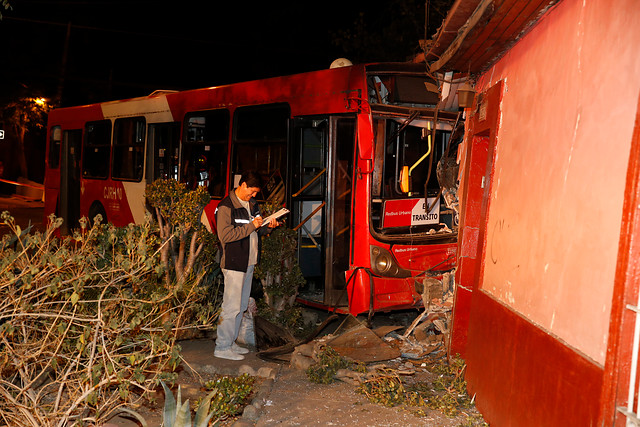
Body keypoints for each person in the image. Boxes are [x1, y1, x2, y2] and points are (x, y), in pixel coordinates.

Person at [214, 171, 278, 360]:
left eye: (256, 193)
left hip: (249, 261)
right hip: (234, 262)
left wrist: (268, 227)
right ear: (242, 185)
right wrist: (252, 226)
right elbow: (225, 236)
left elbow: (257, 229)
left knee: (240, 305)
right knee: (231, 306)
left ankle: (230, 343)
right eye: (251, 192)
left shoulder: (252, 204)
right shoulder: (226, 206)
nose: (253, 196)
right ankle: (222, 347)